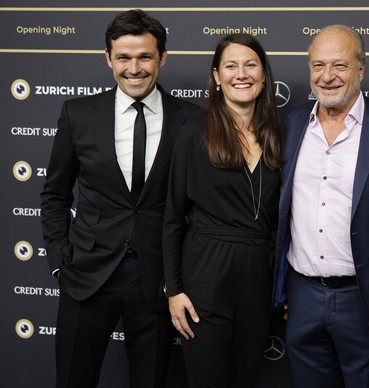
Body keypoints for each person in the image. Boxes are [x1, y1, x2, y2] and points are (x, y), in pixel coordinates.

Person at [40, 9, 202, 388]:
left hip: (157, 280)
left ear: (162, 57)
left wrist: (180, 275)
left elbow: (197, 206)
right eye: (124, 57)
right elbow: (54, 195)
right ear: (108, 58)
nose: (134, 68)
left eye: (145, 56)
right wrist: (60, 263)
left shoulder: (192, 120)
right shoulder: (77, 114)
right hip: (86, 275)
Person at [273, 24, 369, 387]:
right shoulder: (292, 124)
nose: (327, 77)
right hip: (302, 296)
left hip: (364, 298)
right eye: (318, 66)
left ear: (361, 70)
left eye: (339, 65)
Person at [162, 33, 283, 388]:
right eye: (231, 66)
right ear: (217, 76)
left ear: (263, 75)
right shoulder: (194, 132)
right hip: (206, 279)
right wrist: (174, 291)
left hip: (259, 280)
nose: (241, 74)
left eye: (251, 65)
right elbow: (172, 218)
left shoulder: (278, 134)